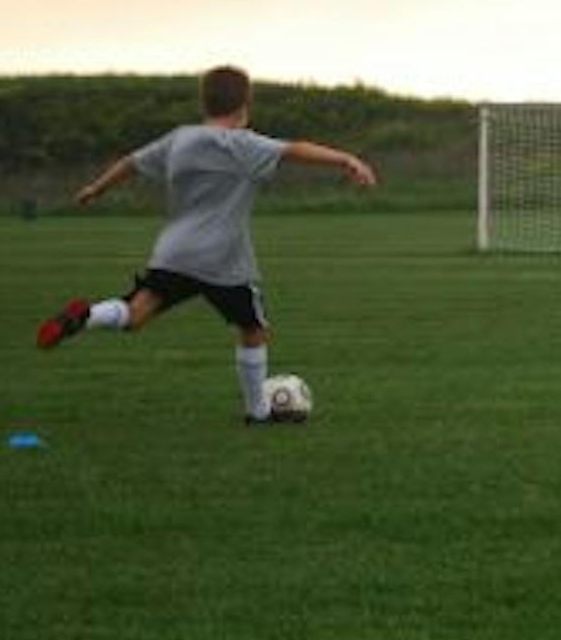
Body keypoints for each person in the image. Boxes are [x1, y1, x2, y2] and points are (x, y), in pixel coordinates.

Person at [36, 65, 378, 424]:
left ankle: (86, 316)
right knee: (253, 329)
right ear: (245, 105)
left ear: (205, 102)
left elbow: (131, 163)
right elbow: (295, 149)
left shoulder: (180, 139)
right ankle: (257, 411)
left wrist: (96, 189)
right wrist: (346, 159)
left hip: (173, 253)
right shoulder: (243, 144)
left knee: (135, 314)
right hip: (222, 261)